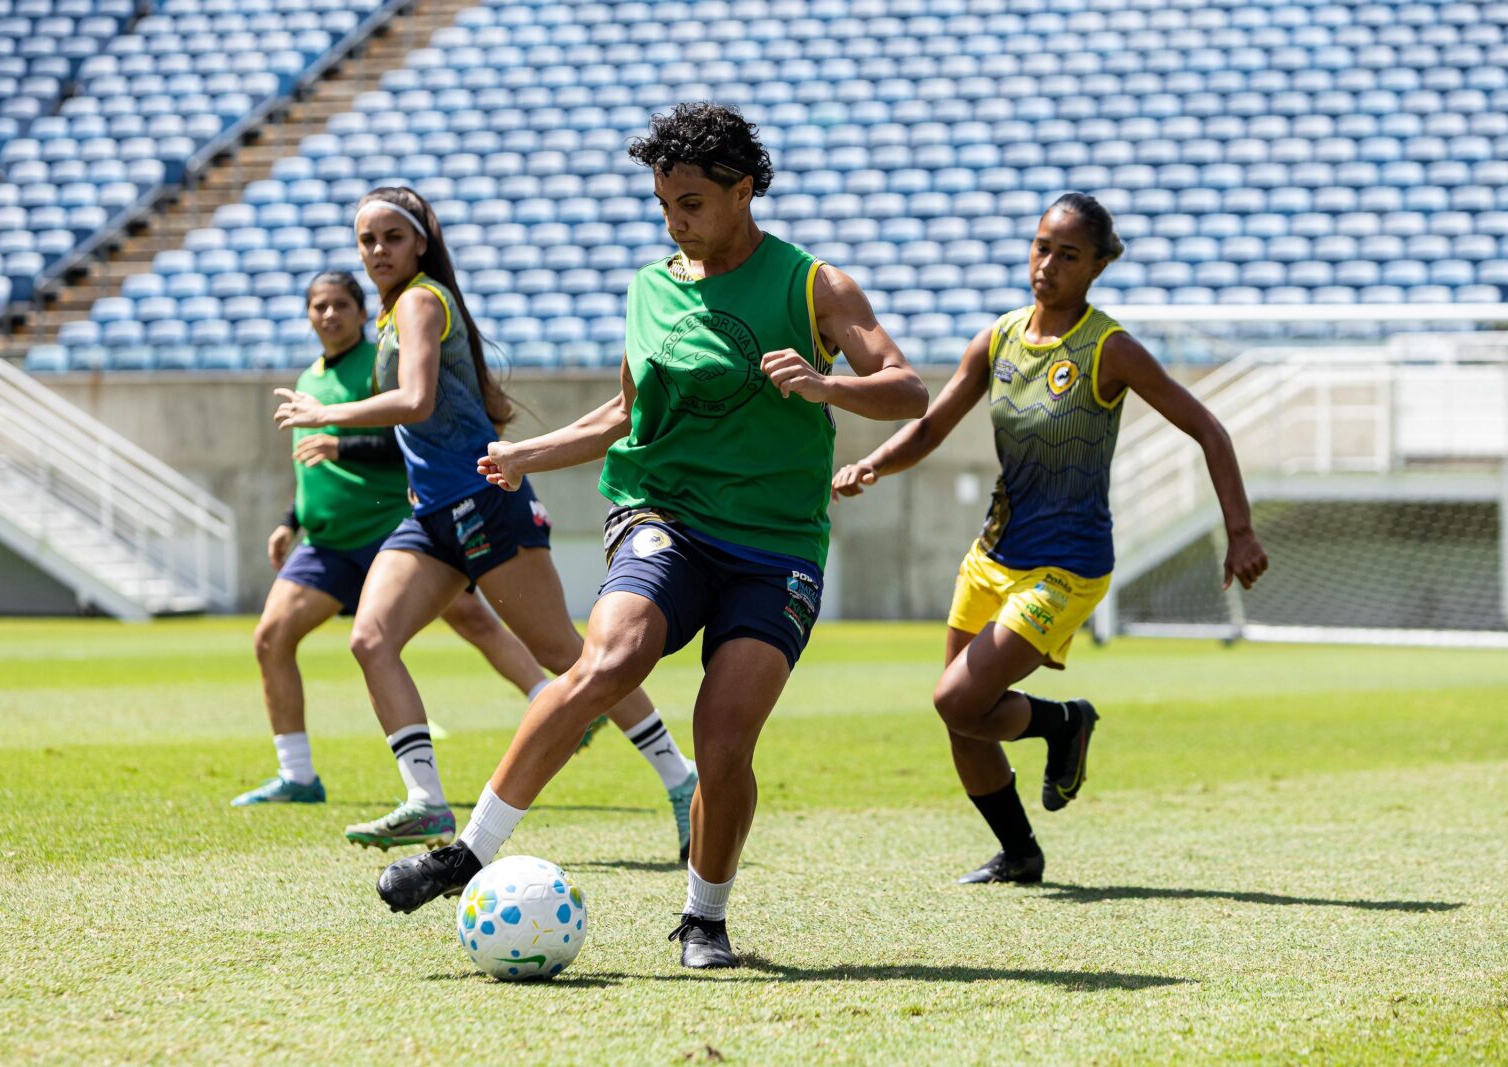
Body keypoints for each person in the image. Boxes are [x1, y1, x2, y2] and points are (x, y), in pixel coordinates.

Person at [373, 103, 929, 970]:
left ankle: (704, 918)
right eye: (665, 203)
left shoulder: (814, 285)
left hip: (778, 544)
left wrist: (829, 388)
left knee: (725, 733)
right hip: (664, 515)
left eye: (694, 202)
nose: (676, 220)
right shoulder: (650, 287)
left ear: (744, 191)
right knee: (609, 658)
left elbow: (906, 389)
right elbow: (629, 414)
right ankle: (469, 850)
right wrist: (531, 452)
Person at [831, 193, 1268, 885]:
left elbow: (1208, 429)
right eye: (1042, 247)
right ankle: (1020, 852)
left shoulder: (1109, 348)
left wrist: (1239, 531)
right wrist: (873, 464)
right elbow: (931, 427)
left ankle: (1065, 723)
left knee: (955, 698)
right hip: (992, 556)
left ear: (1097, 264)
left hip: (1066, 568)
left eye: (1068, 254)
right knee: (962, 717)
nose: (1048, 265)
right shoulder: (998, 338)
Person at [272, 188, 697, 856]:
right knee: (370, 638)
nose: (377, 250)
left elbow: (416, 400)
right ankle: (426, 803)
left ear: (420, 243)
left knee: (566, 652)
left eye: (391, 237)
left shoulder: (419, 300)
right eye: (366, 240)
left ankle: (682, 781)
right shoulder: (396, 313)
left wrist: (323, 413)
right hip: (433, 515)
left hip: (484, 502)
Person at [232, 271, 552, 809]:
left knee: (477, 620)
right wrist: (292, 517)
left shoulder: (382, 360)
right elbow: (313, 464)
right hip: (329, 541)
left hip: (392, 529)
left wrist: (343, 445)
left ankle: (550, 700)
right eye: (318, 306)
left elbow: (407, 432)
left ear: (362, 314)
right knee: (271, 637)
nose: (329, 315)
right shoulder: (309, 380)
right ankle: (298, 776)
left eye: (339, 305)